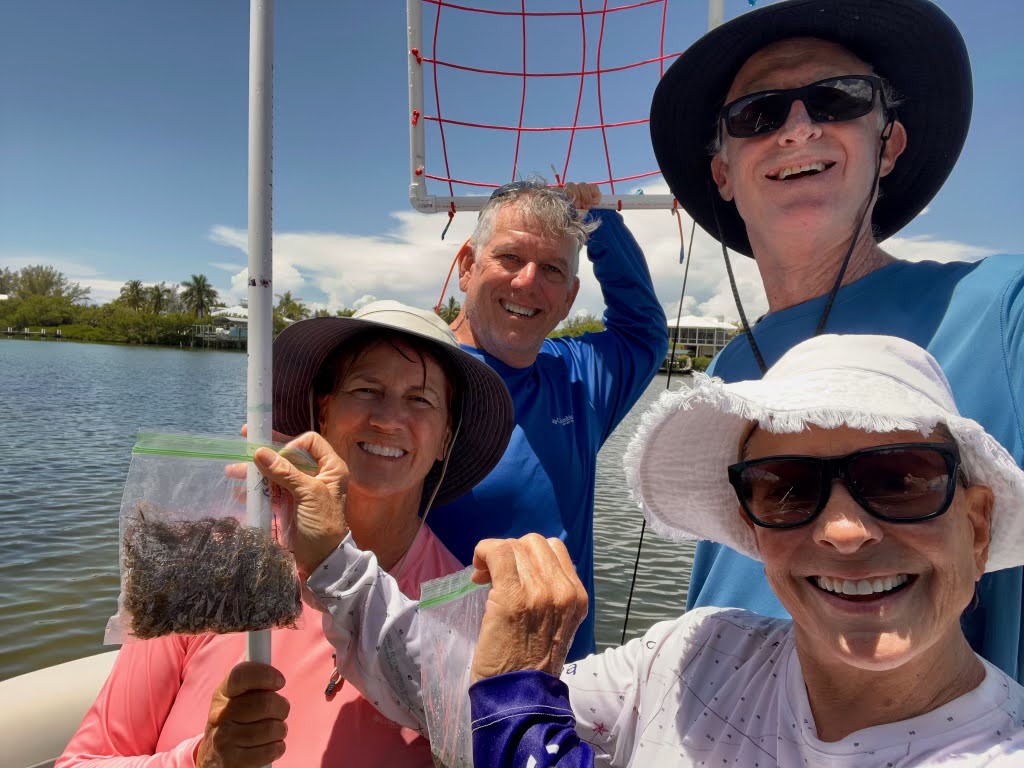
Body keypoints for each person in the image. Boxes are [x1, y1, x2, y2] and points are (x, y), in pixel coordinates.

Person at [270, 334, 1024, 766]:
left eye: (898, 480)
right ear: (755, 525)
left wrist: (514, 716)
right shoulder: (696, 653)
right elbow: (442, 697)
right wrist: (333, 558)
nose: (844, 529)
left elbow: (488, 710)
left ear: (978, 520)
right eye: (788, 488)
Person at [646, 0, 1024, 680]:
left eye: (837, 99)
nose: (796, 129)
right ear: (723, 174)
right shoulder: (733, 366)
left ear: (890, 143)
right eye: (757, 115)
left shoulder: (1005, 309)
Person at [57, 301, 514, 768]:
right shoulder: (221, 561)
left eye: (420, 399)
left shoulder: (459, 613)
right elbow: (82, 761)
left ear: (445, 437)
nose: (389, 419)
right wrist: (201, 759)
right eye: (365, 389)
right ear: (324, 411)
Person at [430, 179, 668, 660]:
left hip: (566, 689)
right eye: (510, 258)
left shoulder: (577, 378)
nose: (527, 282)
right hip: (430, 680)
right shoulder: (407, 376)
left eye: (552, 269)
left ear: (569, 296)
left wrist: (601, 224)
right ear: (468, 265)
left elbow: (643, 330)